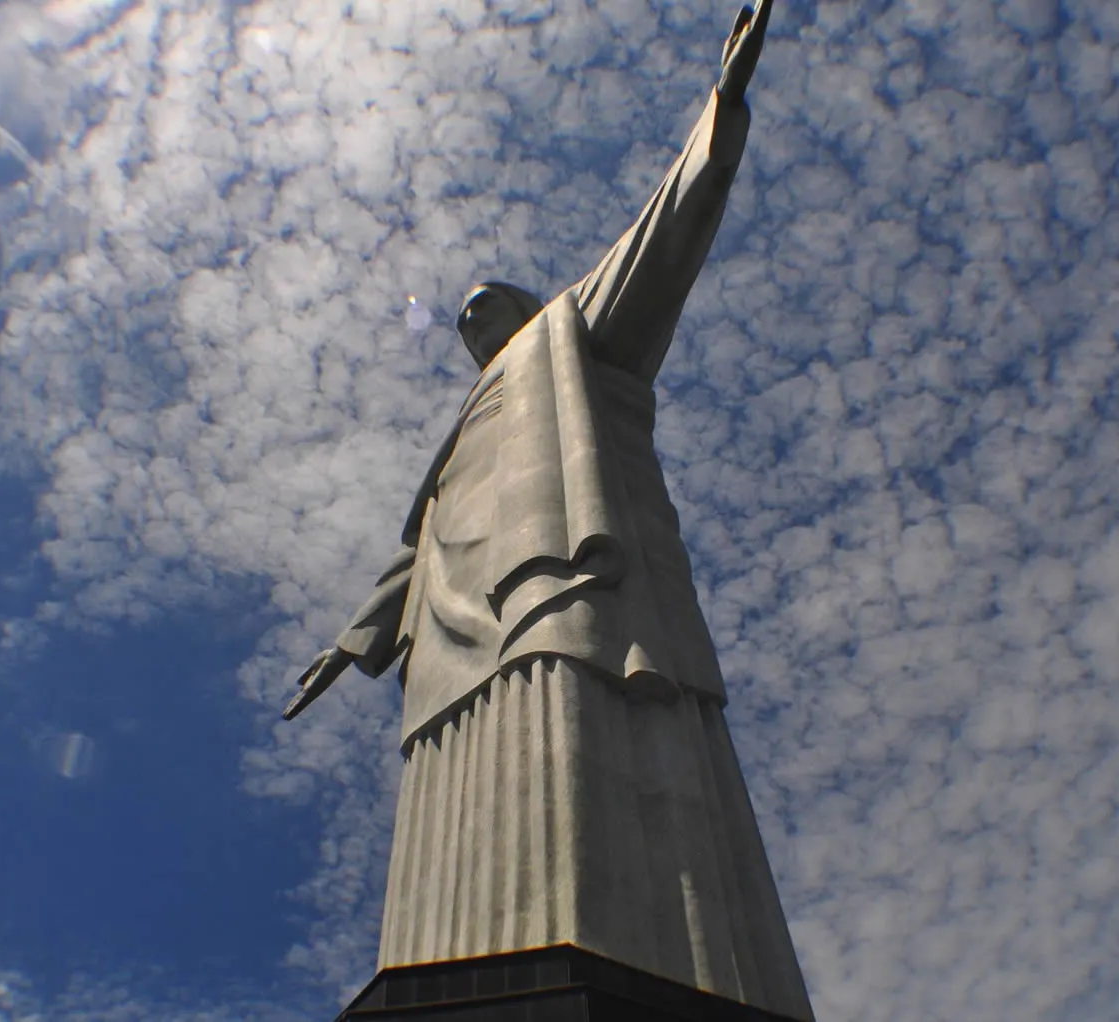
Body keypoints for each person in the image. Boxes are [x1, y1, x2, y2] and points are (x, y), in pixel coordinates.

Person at [286, 3, 812, 1018]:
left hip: (559, 574)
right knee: (458, 786)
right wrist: (352, 642)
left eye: (492, 302)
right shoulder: (454, 443)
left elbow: (661, 236)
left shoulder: (577, 339)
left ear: (531, 307)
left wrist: (724, 106)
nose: (471, 318)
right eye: (461, 317)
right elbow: (413, 553)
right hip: (451, 623)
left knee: (574, 722)